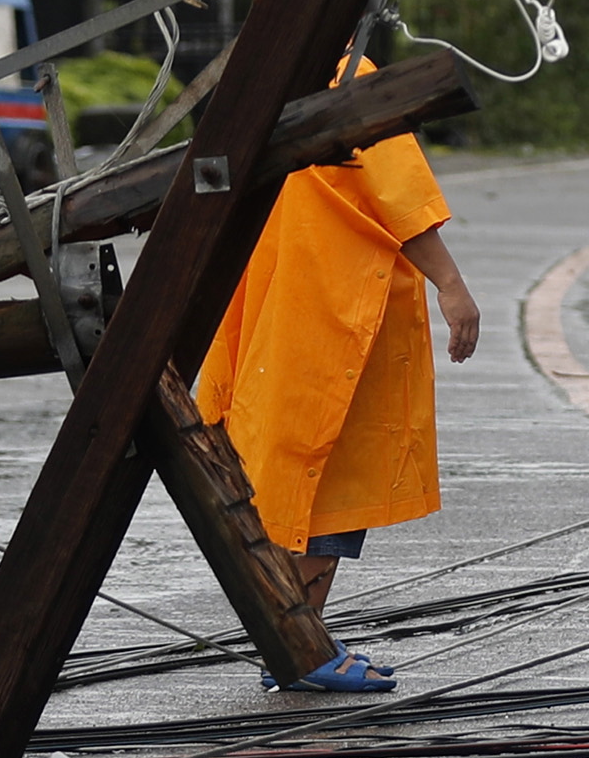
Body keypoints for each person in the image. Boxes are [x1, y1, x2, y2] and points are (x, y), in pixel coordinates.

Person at [195, 56, 483, 691]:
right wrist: (452, 285)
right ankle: (297, 647)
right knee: (324, 473)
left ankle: (303, 638)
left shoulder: (269, 75)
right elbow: (399, 196)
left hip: (281, 296)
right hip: (340, 304)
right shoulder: (348, 74)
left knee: (293, 468)